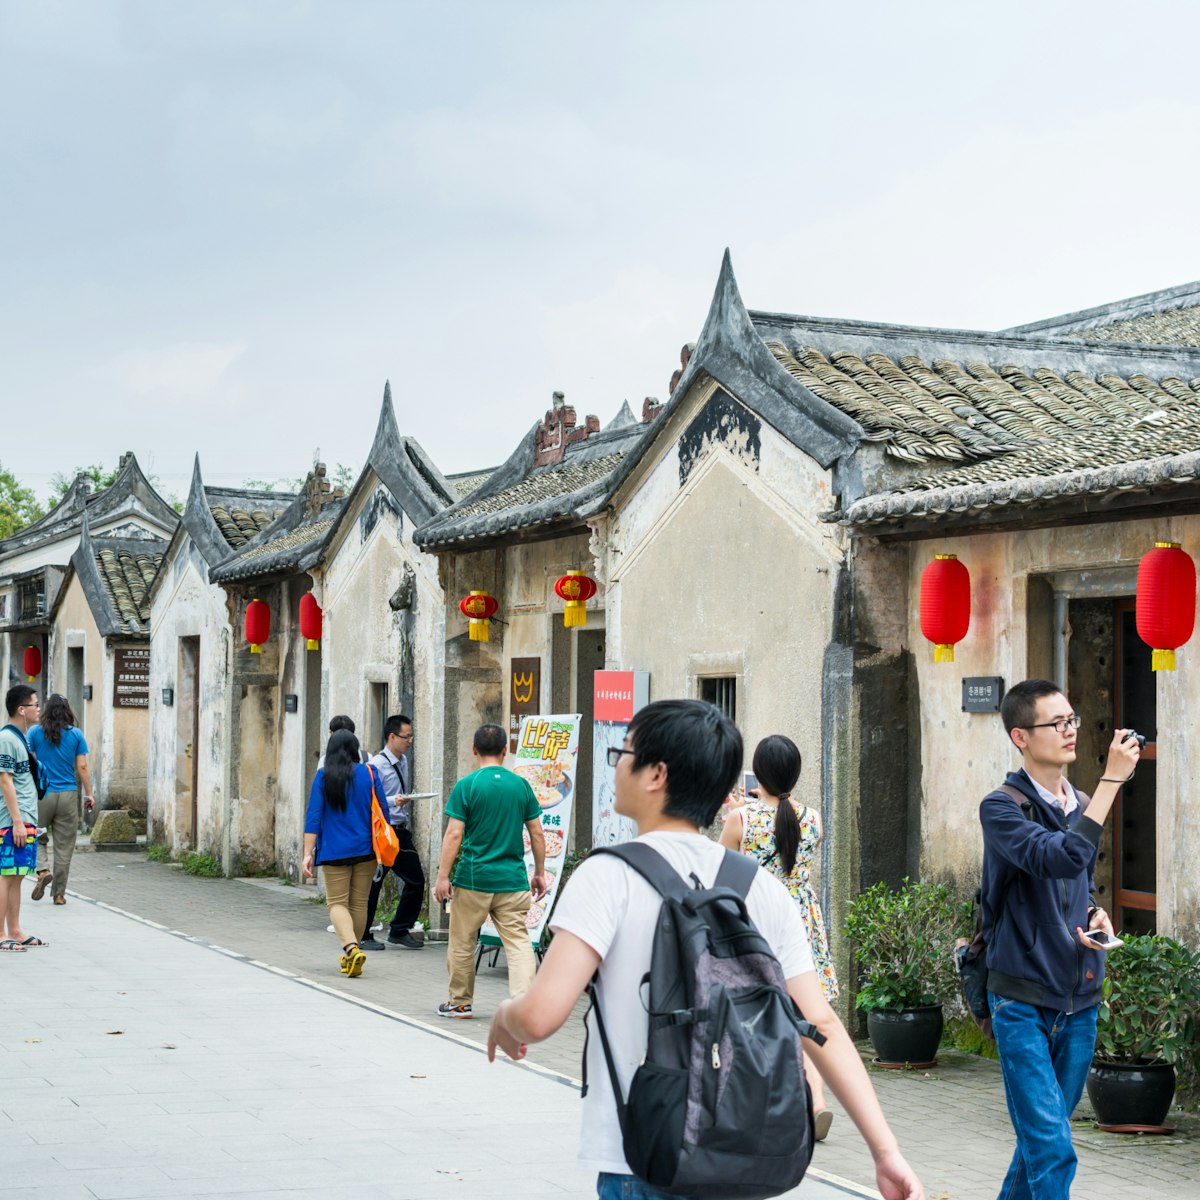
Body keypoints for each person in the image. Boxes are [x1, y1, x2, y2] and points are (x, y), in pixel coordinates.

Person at [487, 700, 924, 1200]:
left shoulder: (606, 875)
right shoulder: (762, 888)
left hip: (644, 1156)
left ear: (656, 774)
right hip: (741, 1156)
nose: (618, 766)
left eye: (622, 753)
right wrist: (886, 1152)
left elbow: (540, 1017)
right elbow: (821, 1025)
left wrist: (505, 1016)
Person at [983, 679, 1141, 1198]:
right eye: (1057, 723)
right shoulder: (1001, 809)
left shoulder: (1081, 803)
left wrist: (1096, 914)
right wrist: (1114, 782)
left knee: (1039, 1148)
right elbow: (1058, 857)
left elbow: (1075, 884)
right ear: (1021, 737)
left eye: (1072, 720)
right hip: (1022, 999)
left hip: (1080, 1000)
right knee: (1052, 1147)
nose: (1071, 731)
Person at [719, 732, 839, 1140]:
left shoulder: (741, 820)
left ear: (759, 773)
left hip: (756, 921)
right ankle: (817, 1101)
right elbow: (785, 833)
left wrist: (736, 811)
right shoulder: (814, 820)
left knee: (751, 1015)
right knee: (806, 1016)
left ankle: (759, 1106)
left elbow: (724, 872)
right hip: (801, 921)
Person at [433, 723, 548, 1019]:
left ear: (474, 750)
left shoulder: (467, 786)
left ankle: (460, 1003)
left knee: (462, 941)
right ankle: (523, 1004)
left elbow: (454, 835)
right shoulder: (521, 785)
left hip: (474, 879)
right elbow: (536, 833)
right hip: (512, 879)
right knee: (519, 943)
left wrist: (443, 876)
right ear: (504, 750)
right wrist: (539, 872)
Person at [302, 729, 377, 978]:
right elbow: (382, 813)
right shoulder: (370, 773)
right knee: (358, 903)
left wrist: (307, 853)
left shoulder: (323, 777)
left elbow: (313, 816)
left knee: (336, 903)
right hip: (366, 849)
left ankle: (352, 949)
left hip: (335, 851)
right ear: (355, 749)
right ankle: (351, 955)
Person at [363, 714, 425, 951]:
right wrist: (392, 801)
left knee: (416, 880)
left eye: (411, 736)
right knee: (373, 884)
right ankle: (363, 933)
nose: (410, 741)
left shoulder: (404, 761)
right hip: (382, 832)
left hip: (400, 831)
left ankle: (399, 929)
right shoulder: (375, 765)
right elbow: (370, 799)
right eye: (406, 737)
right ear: (392, 736)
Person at [28, 694, 93, 906]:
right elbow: (82, 766)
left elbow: (28, 760)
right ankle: (59, 894)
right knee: (64, 846)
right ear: (67, 712)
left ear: (46, 710)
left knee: (37, 835)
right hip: (68, 795)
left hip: (42, 793)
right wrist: (89, 794)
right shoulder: (76, 735)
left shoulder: (35, 732)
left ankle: (43, 870)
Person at [1, 685, 45, 952]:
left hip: (25, 817)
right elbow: (4, 779)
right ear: (21, 709)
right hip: (11, 821)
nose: (38, 709)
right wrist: (16, 821)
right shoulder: (7, 739)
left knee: (17, 875)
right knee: (6, 875)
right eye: (35, 704)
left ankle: (15, 930)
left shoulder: (21, 737)